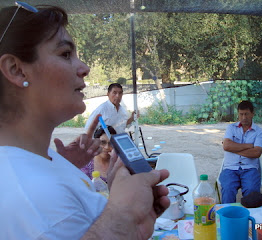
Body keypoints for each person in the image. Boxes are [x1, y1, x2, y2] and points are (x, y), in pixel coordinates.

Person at [0, 3, 169, 240]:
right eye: (65, 54)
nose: (85, 68)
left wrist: (64, 171)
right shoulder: (34, 197)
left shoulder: (41, 164)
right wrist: (122, 216)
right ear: (17, 70)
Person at [219, 100, 262, 203]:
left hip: (250, 168)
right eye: (241, 114)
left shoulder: (259, 132)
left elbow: (256, 153)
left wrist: (234, 149)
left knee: (251, 191)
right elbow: (226, 146)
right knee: (227, 189)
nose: (244, 117)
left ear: (252, 114)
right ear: (238, 114)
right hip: (230, 168)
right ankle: (228, 215)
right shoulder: (231, 128)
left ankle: (248, 216)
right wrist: (249, 146)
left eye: (246, 114)